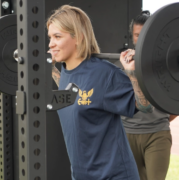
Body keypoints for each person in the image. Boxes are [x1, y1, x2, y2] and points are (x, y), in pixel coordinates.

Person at [47, 5, 153, 180]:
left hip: (114, 175)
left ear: (78, 38)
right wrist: (52, 70)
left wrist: (133, 74)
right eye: (50, 37)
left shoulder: (105, 74)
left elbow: (145, 106)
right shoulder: (66, 69)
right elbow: (72, 96)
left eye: (57, 36)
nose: (51, 43)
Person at [120, 11, 178, 180]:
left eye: (145, 33)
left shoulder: (167, 64)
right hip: (128, 135)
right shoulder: (122, 63)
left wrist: (161, 120)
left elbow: (175, 100)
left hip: (157, 134)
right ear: (132, 37)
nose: (141, 38)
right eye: (137, 35)